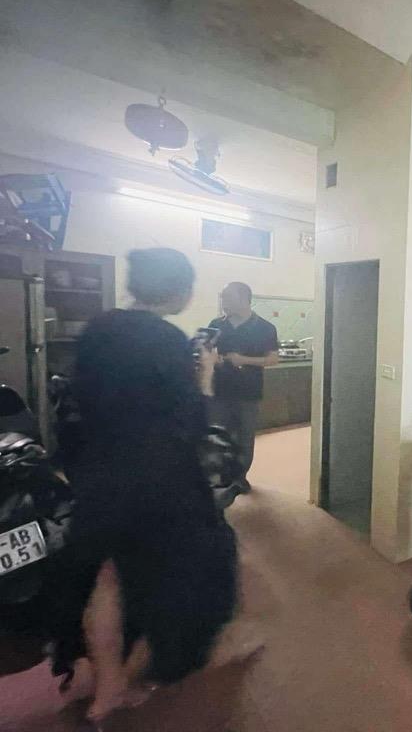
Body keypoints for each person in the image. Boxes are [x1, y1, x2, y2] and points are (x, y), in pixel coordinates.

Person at [52, 248, 238, 721]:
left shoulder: (98, 330)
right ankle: (141, 672)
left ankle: (104, 682)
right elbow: (191, 422)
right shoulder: (167, 340)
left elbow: (80, 401)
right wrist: (206, 376)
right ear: (175, 290)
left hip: (98, 471)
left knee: (106, 577)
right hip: (159, 479)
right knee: (176, 573)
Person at [208, 282, 279, 492]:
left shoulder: (265, 327)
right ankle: (220, 477)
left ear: (244, 299)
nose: (223, 301)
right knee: (218, 436)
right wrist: (212, 359)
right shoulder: (216, 324)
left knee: (245, 438)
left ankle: (240, 478)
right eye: (223, 297)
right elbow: (206, 350)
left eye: (228, 297)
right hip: (219, 390)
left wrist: (243, 360)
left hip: (248, 392)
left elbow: (273, 359)